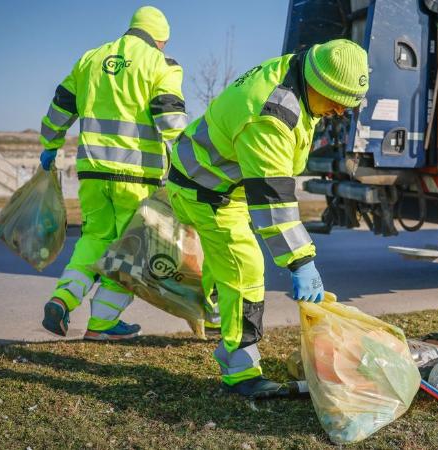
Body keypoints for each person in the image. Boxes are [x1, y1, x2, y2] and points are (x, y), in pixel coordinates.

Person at [166, 39, 369, 397]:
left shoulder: (299, 70)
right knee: (244, 269)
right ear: (317, 85)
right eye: (336, 103)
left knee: (225, 262)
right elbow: (273, 203)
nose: (339, 112)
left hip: (218, 181)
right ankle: (240, 370)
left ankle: (213, 306)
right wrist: (301, 262)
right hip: (206, 189)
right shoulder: (271, 116)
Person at [39, 6, 187, 340]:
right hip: (138, 178)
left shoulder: (91, 58)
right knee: (131, 253)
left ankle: (62, 299)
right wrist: (188, 160)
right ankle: (103, 323)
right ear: (160, 39)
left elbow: (60, 106)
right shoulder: (160, 63)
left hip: (92, 172)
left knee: (95, 240)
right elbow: (170, 120)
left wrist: (50, 142)